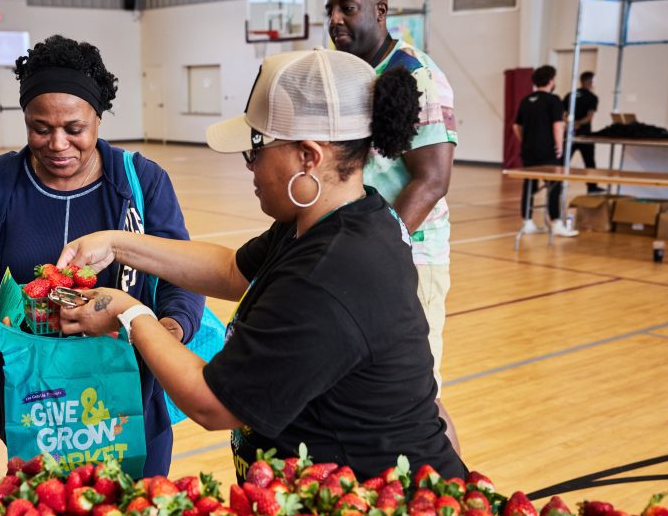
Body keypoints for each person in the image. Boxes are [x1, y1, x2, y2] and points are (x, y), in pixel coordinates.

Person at [55, 49, 467, 483]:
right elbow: (233, 270)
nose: (248, 165)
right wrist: (118, 244)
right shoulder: (329, 218)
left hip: (370, 509)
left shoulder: (329, 270)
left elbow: (212, 403)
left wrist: (128, 312)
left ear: (309, 156)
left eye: (256, 149)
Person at [0, 35, 204, 477]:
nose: (58, 144)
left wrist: (169, 330)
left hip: (129, 400)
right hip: (35, 407)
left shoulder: (140, 183)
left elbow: (180, 272)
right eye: (40, 128)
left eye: (74, 129)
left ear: (98, 119)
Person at [326, 0, 460, 454]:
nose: (335, 19)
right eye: (331, 10)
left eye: (348, 8)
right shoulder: (348, 75)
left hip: (409, 259)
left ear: (380, 11)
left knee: (419, 395)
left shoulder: (417, 75)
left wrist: (383, 248)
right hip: (357, 255)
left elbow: (431, 181)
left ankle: (454, 492)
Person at [513, 65, 578, 237]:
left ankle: (527, 222)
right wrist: (560, 147)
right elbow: (558, 125)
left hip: (528, 150)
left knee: (529, 185)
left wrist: (525, 141)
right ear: (551, 81)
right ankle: (556, 222)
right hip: (548, 151)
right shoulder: (553, 100)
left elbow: (516, 126)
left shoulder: (526, 100)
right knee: (554, 185)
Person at [563, 71, 604, 193]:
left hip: (570, 134)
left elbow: (563, 114)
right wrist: (579, 124)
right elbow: (589, 116)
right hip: (585, 135)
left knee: (564, 161)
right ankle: (592, 187)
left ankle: (557, 185)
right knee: (589, 162)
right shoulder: (592, 97)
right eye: (594, 81)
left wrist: (571, 124)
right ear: (589, 81)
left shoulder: (570, 95)